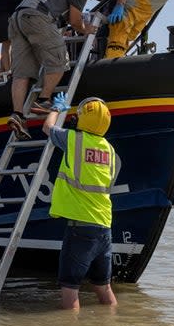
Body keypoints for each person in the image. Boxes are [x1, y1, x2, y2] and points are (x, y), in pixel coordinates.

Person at [41, 96, 120, 310]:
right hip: (105, 228)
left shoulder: (74, 139)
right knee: (104, 288)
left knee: (70, 289)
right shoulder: (111, 152)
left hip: (80, 229)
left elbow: (47, 127)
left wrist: (56, 109)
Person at [7, 0, 98, 138]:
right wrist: (87, 29)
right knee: (60, 61)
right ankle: (43, 101)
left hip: (17, 18)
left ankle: (18, 115)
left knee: (22, 73)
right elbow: (75, 21)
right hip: (37, 16)